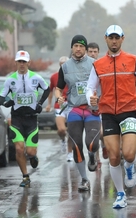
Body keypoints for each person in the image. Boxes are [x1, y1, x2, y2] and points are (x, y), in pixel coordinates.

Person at [86, 25, 136, 209]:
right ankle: (121, 194)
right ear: (105, 39)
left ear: (122, 39)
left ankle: (130, 167)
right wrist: (91, 98)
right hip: (108, 114)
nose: (114, 41)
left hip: (129, 111)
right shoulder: (98, 64)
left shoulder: (132, 60)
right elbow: (90, 87)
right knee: (114, 156)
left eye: (117, 38)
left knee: (129, 154)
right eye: (111, 38)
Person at [55, 35, 101, 192]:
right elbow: (58, 88)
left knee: (92, 143)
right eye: (75, 46)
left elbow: (105, 84)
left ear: (86, 49)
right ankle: (84, 179)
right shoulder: (65, 67)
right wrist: (59, 97)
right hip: (74, 109)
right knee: (76, 145)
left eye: (81, 46)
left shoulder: (95, 65)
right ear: (72, 48)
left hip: (92, 109)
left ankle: (93, 154)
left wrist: (99, 100)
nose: (78, 49)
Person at [0, 50, 49, 187]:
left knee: (30, 151)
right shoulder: (10, 80)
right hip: (17, 119)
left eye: (24, 61)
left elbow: (47, 89)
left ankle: (32, 157)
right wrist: (5, 102)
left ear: (29, 62)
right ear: (16, 62)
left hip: (31, 119)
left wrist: (39, 104)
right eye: (19, 61)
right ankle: (25, 177)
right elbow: (1, 96)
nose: (22, 64)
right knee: (19, 149)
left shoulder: (36, 78)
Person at [46, 56, 73, 160]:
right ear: (59, 65)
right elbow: (51, 91)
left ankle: (70, 153)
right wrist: (49, 104)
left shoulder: (73, 76)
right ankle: (62, 139)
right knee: (61, 129)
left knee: (71, 130)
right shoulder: (54, 77)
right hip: (59, 105)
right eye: (62, 64)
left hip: (71, 105)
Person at [86, 42, 108, 167]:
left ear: (98, 52)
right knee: (95, 133)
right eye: (90, 51)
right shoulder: (85, 67)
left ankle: (104, 146)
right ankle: (97, 158)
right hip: (89, 105)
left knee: (102, 133)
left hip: (103, 104)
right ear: (87, 52)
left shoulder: (102, 65)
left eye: (95, 51)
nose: (93, 54)